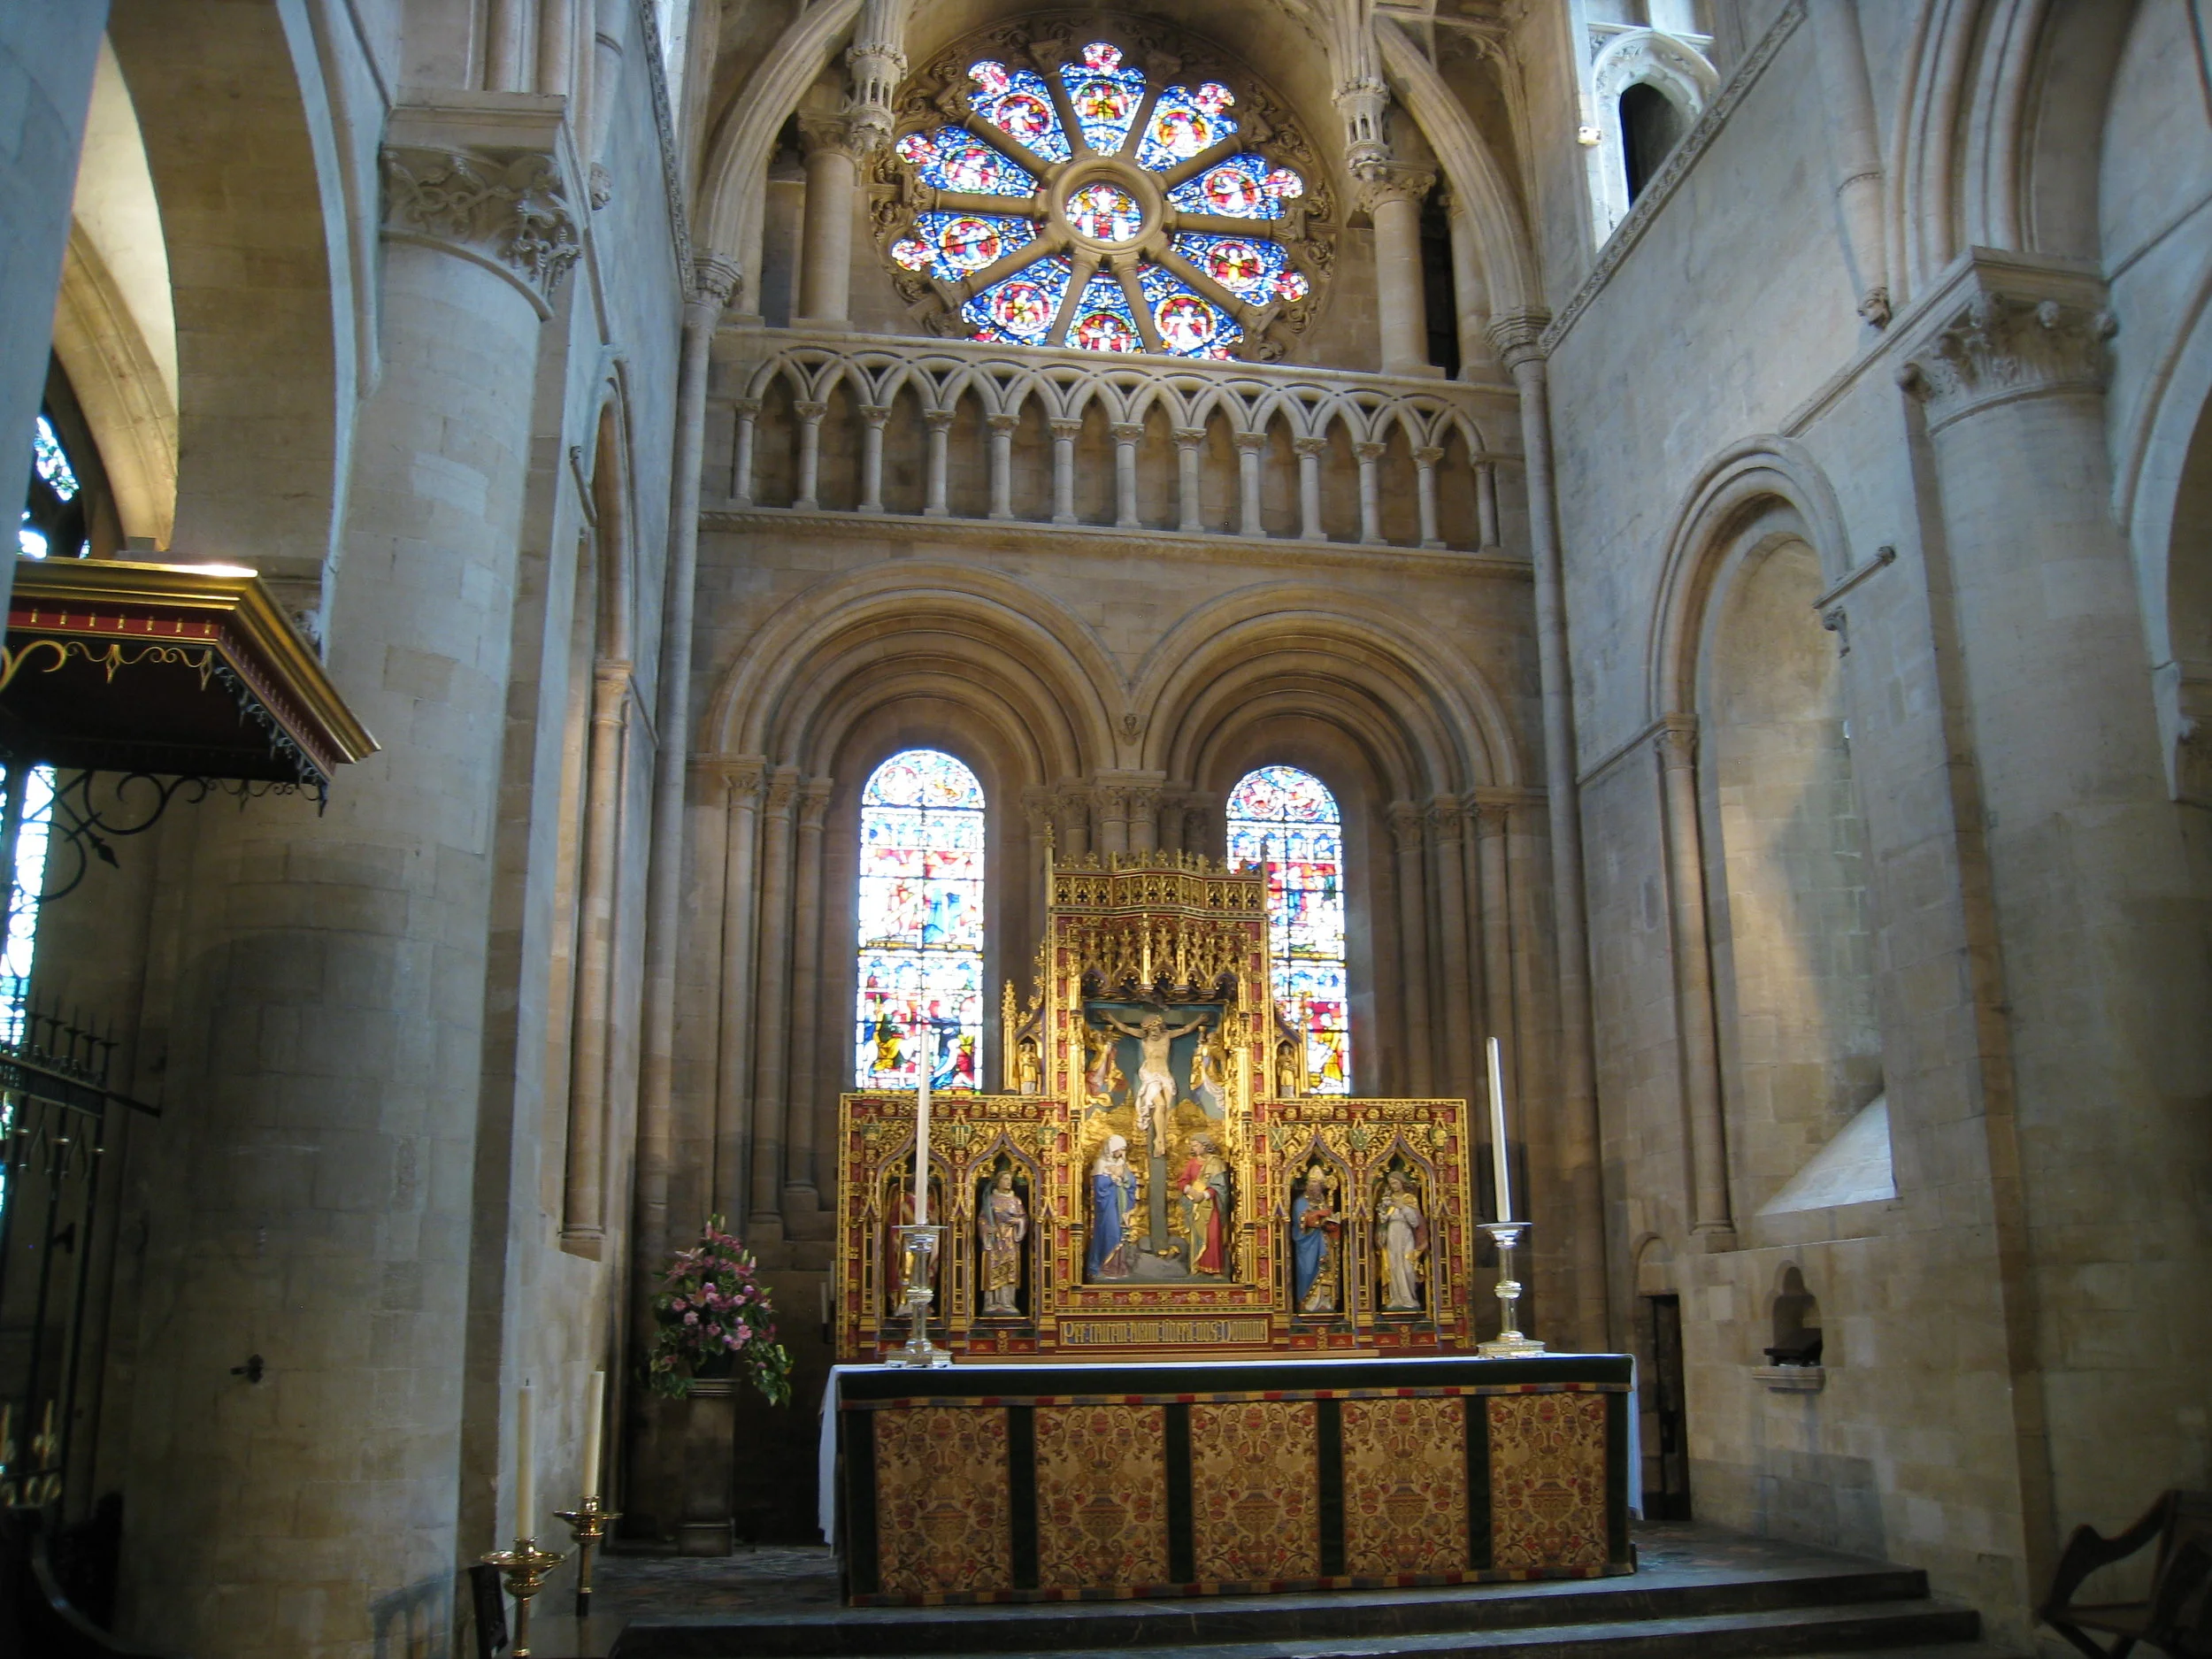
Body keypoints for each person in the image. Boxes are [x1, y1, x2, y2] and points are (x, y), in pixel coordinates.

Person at [1099, 1008, 1210, 1155]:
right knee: (1161, 1104)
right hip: (1151, 1075)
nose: (1155, 1034)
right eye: (1151, 1031)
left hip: (1165, 1075)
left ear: (1161, 1028)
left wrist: (1200, 1020)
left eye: (1157, 1030)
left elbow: (1186, 1029)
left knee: (1167, 1108)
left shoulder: (1167, 1036)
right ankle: (1158, 1139)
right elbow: (1124, 1028)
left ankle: (1161, 1138)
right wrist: (1111, 1019)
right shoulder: (1143, 1038)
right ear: (1147, 1031)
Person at [1087, 1135, 1139, 1280]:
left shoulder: (1122, 1163)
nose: (1122, 1153)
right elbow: (1099, 1188)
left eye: (1123, 1150)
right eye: (1120, 1150)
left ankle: (1118, 1267)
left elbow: (1131, 1182)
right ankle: (1104, 1266)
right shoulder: (1101, 1164)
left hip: (1120, 1205)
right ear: (1113, 1149)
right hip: (1107, 1206)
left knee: (1121, 1234)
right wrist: (1112, 1179)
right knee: (1111, 1233)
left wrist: (1123, 1176)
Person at [978, 1167, 1028, 1315]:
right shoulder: (991, 1200)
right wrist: (986, 1228)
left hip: (1010, 1240)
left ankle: (1007, 1302)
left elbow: (1024, 1218)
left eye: (1010, 1180)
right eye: (1005, 1179)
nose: (1008, 1182)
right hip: (994, 1241)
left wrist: (1018, 1222)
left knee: (1009, 1270)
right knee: (992, 1268)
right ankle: (992, 1303)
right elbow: (982, 1219)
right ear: (997, 1182)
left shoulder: (1015, 1200)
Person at [1178, 1133, 1230, 1276]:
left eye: (1195, 1145)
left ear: (1204, 1145)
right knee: (1198, 1237)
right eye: (1192, 1146)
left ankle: (1215, 1269)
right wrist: (1191, 1191)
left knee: (1212, 1236)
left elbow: (1221, 1186)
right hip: (1196, 1206)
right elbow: (1182, 1181)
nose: (1193, 1148)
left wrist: (1205, 1195)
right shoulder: (1192, 1163)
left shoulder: (1216, 1163)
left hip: (1211, 1206)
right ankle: (1198, 1267)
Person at [1290, 1165, 1340, 1313]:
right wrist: (1318, 1215)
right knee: (1307, 1271)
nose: (1314, 1187)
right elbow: (1301, 1221)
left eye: (1317, 1184)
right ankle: (1308, 1302)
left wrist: (1331, 1223)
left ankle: (1325, 1302)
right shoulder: (1300, 1202)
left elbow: (1328, 1219)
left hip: (1324, 1244)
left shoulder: (1324, 1201)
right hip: (1307, 1245)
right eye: (1311, 1183)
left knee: (1325, 1270)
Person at [1378, 1170, 1428, 1312]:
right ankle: (1395, 1299)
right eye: (1391, 1183)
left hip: (1406, 1234)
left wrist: (1403, 1208)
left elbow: (1415, 1222)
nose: (1393, 1186)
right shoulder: (1387, 1199)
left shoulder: (1409, 1199)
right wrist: (1383, 1215)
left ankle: (1409, 1298)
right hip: (1392, 1236)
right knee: (1393, 1267)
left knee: (1407, 1266)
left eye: (1395, 1182)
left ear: (1401, 1182)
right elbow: (1382, 1222)